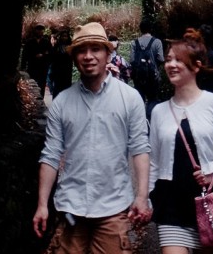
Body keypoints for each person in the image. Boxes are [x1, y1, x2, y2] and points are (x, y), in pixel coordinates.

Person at [33, 22, 152, 254]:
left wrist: (142, 196)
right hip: (70, 207)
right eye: (81, 50)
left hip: (114, 208)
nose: (88, 56)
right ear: (74, 56)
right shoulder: (62, 102)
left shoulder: (129, 98)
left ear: (108, 53)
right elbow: (50, 154)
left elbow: (140, 148)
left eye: (95, 49)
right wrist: (41, 205)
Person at [148, 29, 213, 253]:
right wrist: (145, 197)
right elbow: (153, 162)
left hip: (207, 197)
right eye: (168, 60)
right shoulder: (158, 111)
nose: (171, 65)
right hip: (170, 199)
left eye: (178, 60)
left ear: (196, 66)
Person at [131, 17, 166, 111]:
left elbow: (132, 60)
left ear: (140, 29)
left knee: (139, 100)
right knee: (153, 99)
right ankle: (151, 120)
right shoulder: (157, 42)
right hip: (153, 76)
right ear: (151, 29)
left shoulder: (134, 43)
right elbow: (161, 59)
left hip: (139, 77)